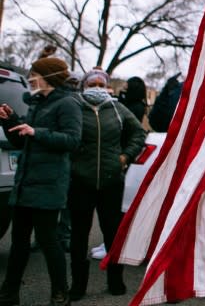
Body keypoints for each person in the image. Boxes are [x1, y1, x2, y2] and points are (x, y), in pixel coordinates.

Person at [0, 48, 82, 306]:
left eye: (34, 75)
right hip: (25, 185)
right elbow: (20, 139)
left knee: (49, 242)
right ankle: (9, 293)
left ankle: (60, 293)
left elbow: (73, 140)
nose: (30, 79)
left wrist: (37, 132)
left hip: (48, 186)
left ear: (48, 77)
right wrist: (10, 120)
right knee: (19, 244)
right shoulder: (37, 103)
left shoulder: (67, 103)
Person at [67, 69, 146, 300]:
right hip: (80, 180)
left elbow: (138, 134)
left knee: (112, 233)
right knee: (79, 236)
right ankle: (78, 286)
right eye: (93, 83)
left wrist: (125, 157)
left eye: (102, 84)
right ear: (84, 85)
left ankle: (115, 280)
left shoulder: (117, 109)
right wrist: (73, 160)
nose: (98, 87)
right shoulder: (74, 107)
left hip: (111, 181)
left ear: (108, 86)